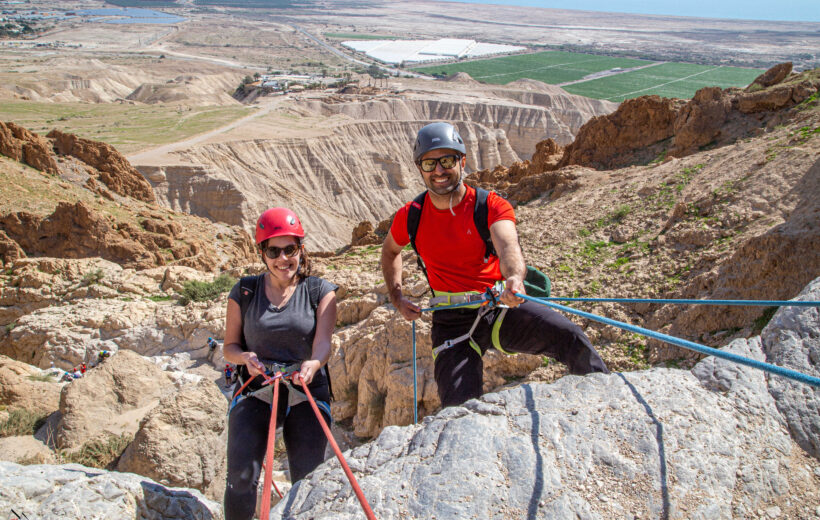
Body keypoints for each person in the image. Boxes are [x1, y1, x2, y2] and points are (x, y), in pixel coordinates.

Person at [381, 122, 609, 409]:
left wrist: (514, 276)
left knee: (570, 337)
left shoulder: (489, 205)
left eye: (447, 160)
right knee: (458, 407)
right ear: (420, 169)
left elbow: (507, 245)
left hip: (499, 303)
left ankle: (605, 406)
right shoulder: (411, 216)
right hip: (451, 319)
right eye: (430, 163)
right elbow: (389, 252)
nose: (439, 170)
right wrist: (397, 296)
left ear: (462, 162)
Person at [222, 207, 338, 520]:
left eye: (290, 249)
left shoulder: (319, 291)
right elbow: (229, 347)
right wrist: (245, 358)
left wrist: (313, 364)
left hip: (306, 389)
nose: (282, 258)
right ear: (262, 253)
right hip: (255, 387)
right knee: (241, 480)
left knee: (308, 480)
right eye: (274, 250)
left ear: (301, 250)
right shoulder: (245, 292)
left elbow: (323, 343)